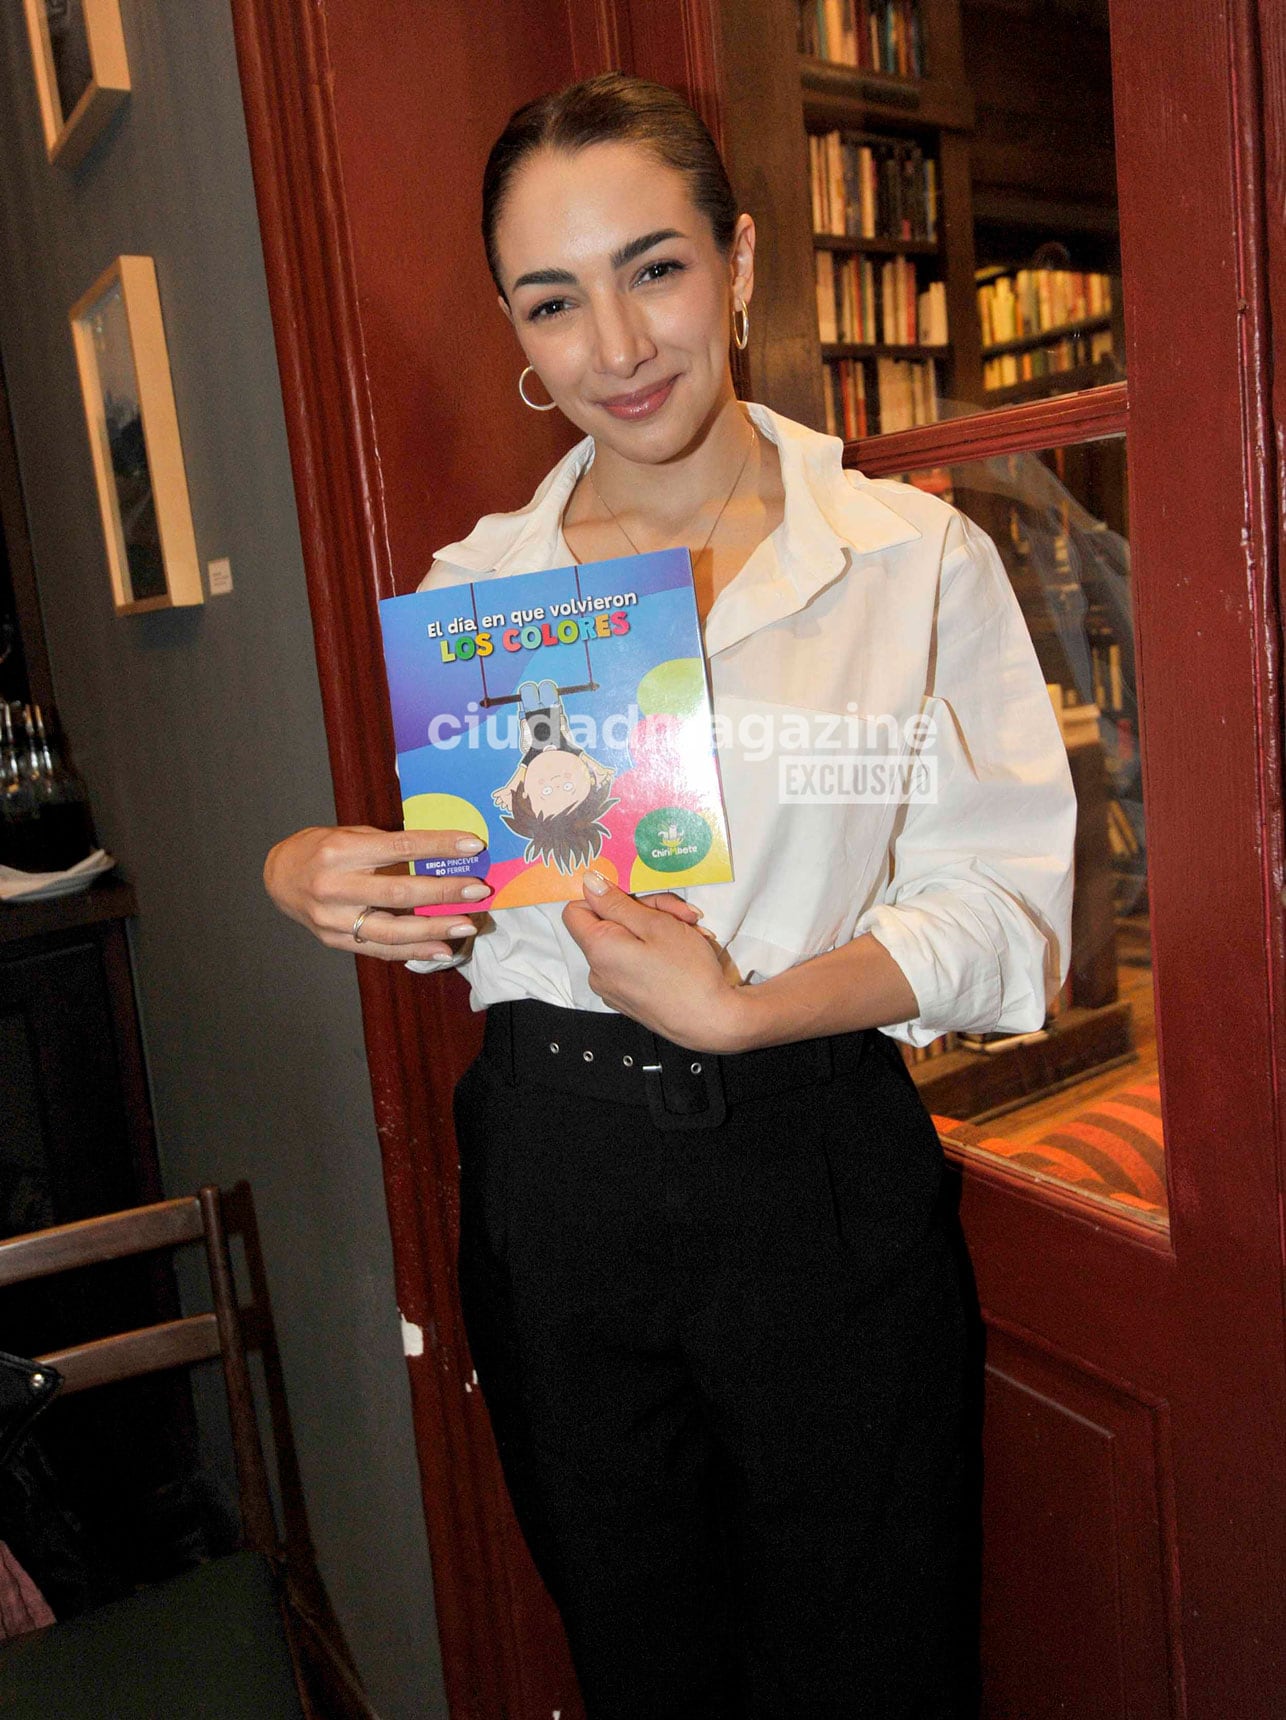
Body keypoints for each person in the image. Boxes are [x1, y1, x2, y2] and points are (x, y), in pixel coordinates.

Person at [264, 72, 1077, 1720]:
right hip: (554, 1183)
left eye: (655, 268)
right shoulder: (478, 589)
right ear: (514, 324)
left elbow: (1002, 915)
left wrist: (751, 1005)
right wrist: (325, 873)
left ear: (741, 260)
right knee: (644, 1669)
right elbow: (482, 903)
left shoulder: (907, 559)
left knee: (876, 1663)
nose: (617, 347)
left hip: (817, 1171)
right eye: (555, 301)